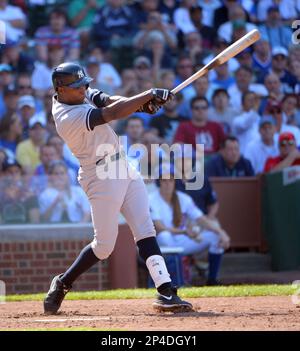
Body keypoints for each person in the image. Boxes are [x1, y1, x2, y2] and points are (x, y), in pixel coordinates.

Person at [43, 62, 193, 315]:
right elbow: (109, 114)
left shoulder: (79, 92)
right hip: (99, 174)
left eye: (84, 84)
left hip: (122, 164)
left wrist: (142, 106)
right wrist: (146, 96)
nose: (84, 89)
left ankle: (166, 290)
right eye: (78, 86)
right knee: (103, 247)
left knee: (145, 229)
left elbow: (107, 100)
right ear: (60, 89)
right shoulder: (66, 117)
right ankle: (62, 283)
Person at [149, 165, 230, 286]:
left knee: (215, 237)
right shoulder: (151, 199)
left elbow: (201, 219)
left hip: (182, 240)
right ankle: (176, 279)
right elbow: (160, 228)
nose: (167, 184)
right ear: (158, 182)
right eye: (163, 180)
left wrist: (221, 232)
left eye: (171, 180)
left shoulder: (183, 198)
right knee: (165, 236)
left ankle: (212, 280)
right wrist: (185, 232)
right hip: (162, 243)